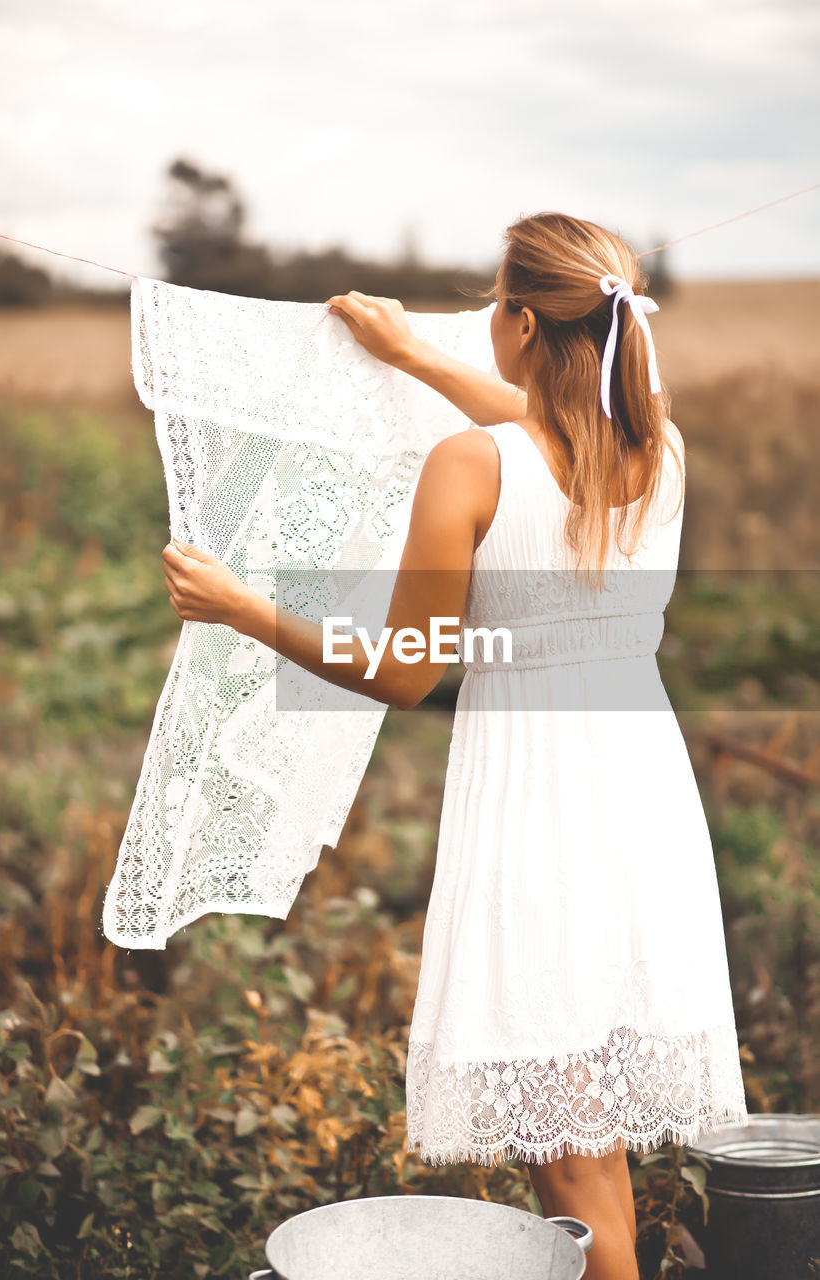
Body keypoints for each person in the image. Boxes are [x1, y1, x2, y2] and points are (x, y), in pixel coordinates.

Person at [161, 211, 748, 1280]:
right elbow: (537, 435)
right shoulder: (655, 448)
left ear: (521, 321)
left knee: (570, 1166)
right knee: (590, 1145)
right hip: (642, 795)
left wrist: (243, 605)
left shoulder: (465, 465)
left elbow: (404, 668)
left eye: (491, 301)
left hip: (542, 804)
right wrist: (416, 354)